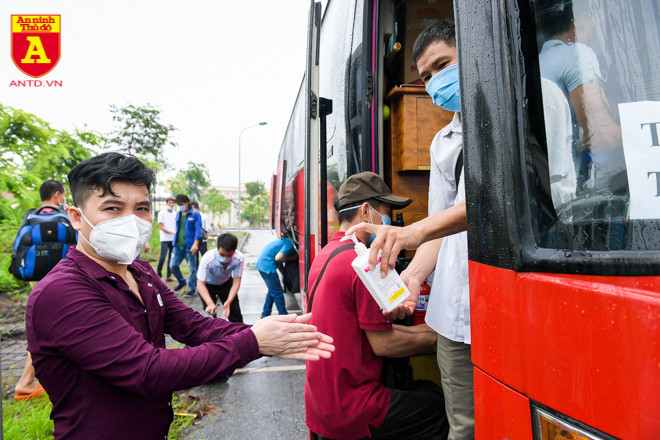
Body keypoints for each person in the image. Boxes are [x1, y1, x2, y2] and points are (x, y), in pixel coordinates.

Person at [25, 152, 334, 439]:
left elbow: (194, 326)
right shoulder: (63, 292)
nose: (131, 220)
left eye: (141, 208)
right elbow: (148, 371)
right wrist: (253, 342)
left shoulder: (140, 272)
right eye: (113, 208)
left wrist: (274, 334)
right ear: (76, 217)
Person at [348, 20, 473, 440]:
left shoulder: (525, 115)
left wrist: (410, 234)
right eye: (426, 75)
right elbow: (442, 224)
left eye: (443, 65)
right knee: (464, 427)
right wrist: (414, 277)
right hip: (453, 315)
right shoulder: (442, 142)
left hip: (505, 303)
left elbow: (494, 201)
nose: (436, 81)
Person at [305, 172, 448, 440]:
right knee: (439, 410)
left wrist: (427, 332)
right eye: (386, 214)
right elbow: (384, 344)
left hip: (321, 403)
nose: (390, 225)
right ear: (365, 212)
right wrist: (437, 340)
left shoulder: (327, 254)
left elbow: (370, 332)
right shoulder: (363, 264)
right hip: (354, 406)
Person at [13, 179, 72, 401]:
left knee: (47, 324)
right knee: (49, 328)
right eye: (63, 193)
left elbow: (19, 247)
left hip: (36, 278)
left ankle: (47, 376)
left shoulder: (31, 215)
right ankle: (26, 381)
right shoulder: (65, 215)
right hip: (62, 276)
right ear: (57, 194)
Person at [196, 233, 244, 322]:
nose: (225, 258)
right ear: (218, 248)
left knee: (235, 314)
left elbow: (236, 281)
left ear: (234, 251)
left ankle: (239, 331)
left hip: (226, 284)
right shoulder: (208, 258)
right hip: (208, 286)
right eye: (222, 254)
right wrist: (210, 303)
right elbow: (200, 284)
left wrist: (229, 301)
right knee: (210, 315)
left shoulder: (239, 258)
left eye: (229, 255)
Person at [255, 233, 297, 318]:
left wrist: (283, 273)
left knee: (272, 291)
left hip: (262, 265)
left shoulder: (286, 241)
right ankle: (283, 315)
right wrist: (293, 258)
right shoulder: (291, 243)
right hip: (267, 266)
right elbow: (278, 258)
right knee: (277, 292)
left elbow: (278, 261)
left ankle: (265, 315)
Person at [170, 194, 203, 297]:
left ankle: (192, 289)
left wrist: (196, 244)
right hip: (177, 245)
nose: (180, 206)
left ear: (187, 202)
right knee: (172, 266)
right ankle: (181, 281)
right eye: (178, 204)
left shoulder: (195, 214)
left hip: (190, 246)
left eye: (182, 204)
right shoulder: (178, 214)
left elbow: (198, 231)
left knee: (193, 269)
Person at [156, 196, 177, 281]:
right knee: (162, 257)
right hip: (165, 239)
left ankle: (169, 275)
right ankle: (158, 275)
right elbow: (161, 227)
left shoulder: (175, 213)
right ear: (167, 203)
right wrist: (171, 232)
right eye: (170, 203)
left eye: (173, 203)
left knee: (171, 258)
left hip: (173, 239)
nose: (171, 204)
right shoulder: (162, 213)